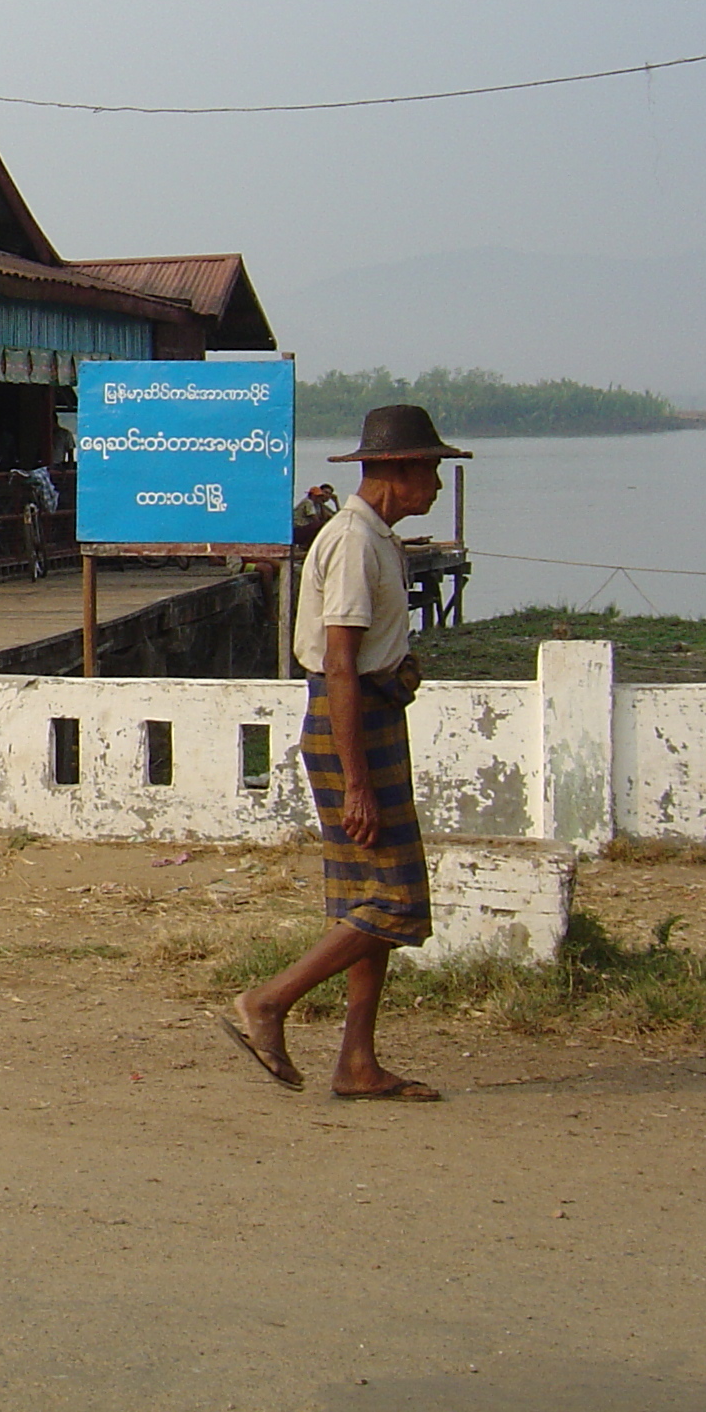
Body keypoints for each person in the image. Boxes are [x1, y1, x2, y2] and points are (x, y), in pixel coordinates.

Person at [222, 404, 469, 1102]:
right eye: (433, 470)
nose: (439, 486)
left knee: (365, 900)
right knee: (394, 901)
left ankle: (356, 1061)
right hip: (348, 726)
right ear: (399, 471)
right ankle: (269, 1002)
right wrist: (357, 781)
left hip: (365, 720)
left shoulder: (377, 538)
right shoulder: (355, 541)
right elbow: (339, 662)